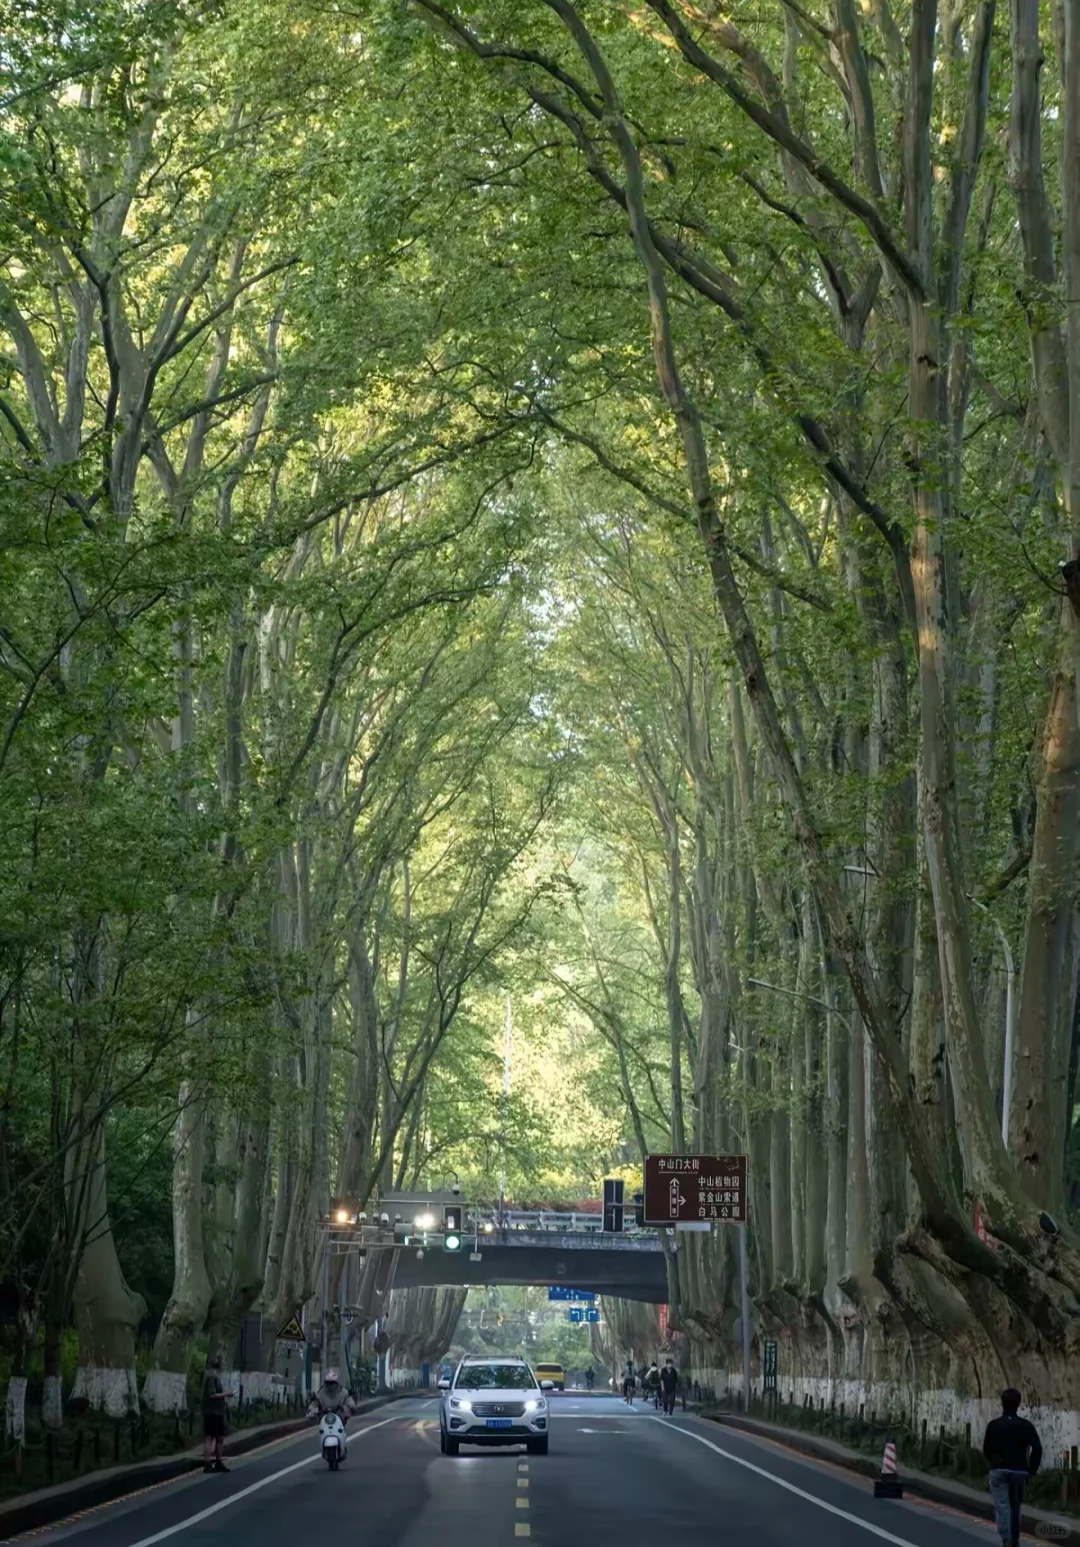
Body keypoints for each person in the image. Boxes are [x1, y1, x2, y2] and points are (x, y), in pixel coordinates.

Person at [983, 1387, 1042, 1547]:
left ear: (1002, 1403)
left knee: (1002, 1505)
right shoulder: (1025, 1425)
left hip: (999, 1470)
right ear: (1018, 1404)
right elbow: (1037, 1448)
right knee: (1015, 1505)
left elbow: (986, 1449)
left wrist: (993, 1463)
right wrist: (1032, 1470)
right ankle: (1015, 1539)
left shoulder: (994, 1425)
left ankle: (1006, 1538)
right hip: (1019, 1470)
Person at [202, 1355, 233, 1473]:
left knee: (219, 1438)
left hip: (218, 1412)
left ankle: (219, 1461)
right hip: (212, 1412)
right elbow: (212, 1395)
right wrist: (226, 1394)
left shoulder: (216, 1378)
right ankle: (207, 1463)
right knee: (209, 1437)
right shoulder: (211, 1378)